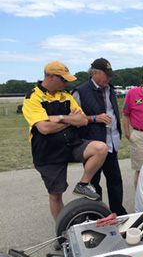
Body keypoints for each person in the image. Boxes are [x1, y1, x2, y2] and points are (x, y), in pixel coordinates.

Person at [22, 61, 108, 220]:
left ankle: (83, 185)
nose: (66, 83)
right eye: (63, 79)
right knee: (55, 195)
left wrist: (59, 118)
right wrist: (70, 119)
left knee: (101, 148)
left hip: (71, 144)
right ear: (51, 76)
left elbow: (82, 120)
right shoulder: (32, 98)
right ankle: (63, 232)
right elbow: (44, 129)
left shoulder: (66, 95)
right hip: (48, 151)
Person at [72, 58, 127, 215]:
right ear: (94, 73)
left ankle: (118, 212)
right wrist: (95, 118)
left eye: (110, 75)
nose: (109, 79)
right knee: (93, 183)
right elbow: (74, 121)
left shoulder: (110, 89)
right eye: (106, 75)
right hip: (93, 145)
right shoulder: (80, 92)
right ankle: (96, 213)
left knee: (115, 180)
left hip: (112, 143)